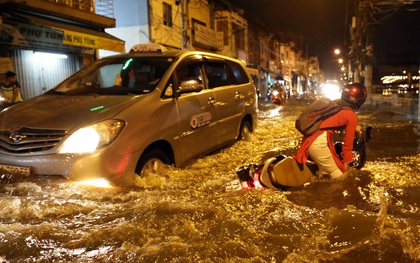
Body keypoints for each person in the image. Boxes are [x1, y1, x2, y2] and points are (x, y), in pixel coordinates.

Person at [294, 83, 368, 180]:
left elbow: (330, 121)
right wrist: (346, 167)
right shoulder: (351, 116)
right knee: (340, 178)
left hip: (311, 140)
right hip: (318, 143)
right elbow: (347, 146)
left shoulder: (336, 104)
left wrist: (354, 127)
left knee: (326, 175)